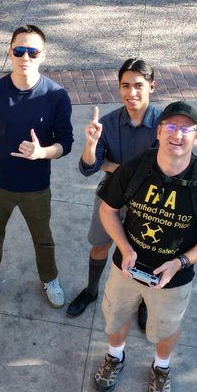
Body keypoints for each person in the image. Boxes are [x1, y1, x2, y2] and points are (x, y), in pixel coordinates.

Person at [92, 101, 197, 392]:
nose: (177, 134)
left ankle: (161, 367)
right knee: (115, 317)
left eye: (186, 129)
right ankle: (115, 357)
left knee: (166, 327)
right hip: (126, 267)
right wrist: (126, 249)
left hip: (174, 279)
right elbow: (108, 210)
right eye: (170, 126)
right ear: (158, 132)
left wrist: (180, 262)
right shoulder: (134, 168)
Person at [0, 24, 73, 307]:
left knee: (43, 238)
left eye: (33, 52)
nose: (25, 57)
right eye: (19, 51)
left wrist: (43, 152)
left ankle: (50, 279)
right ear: (10, 53)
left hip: (36, 188)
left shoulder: (56, 96)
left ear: (43, 56)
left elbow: (66, 143)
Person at [66, 57, 162, 320]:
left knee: (145, 254)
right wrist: (91, 144)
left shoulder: (164, 125)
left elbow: (161, 169)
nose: (131, 93)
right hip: (111, 198)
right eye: (125, 85)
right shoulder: (106, 124)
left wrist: (112, 165)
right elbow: (88, 168)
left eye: (139, 85)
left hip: (148, 203)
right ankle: (91, 290)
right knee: (99, 245)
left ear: (151, 87)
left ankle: (143, 301)